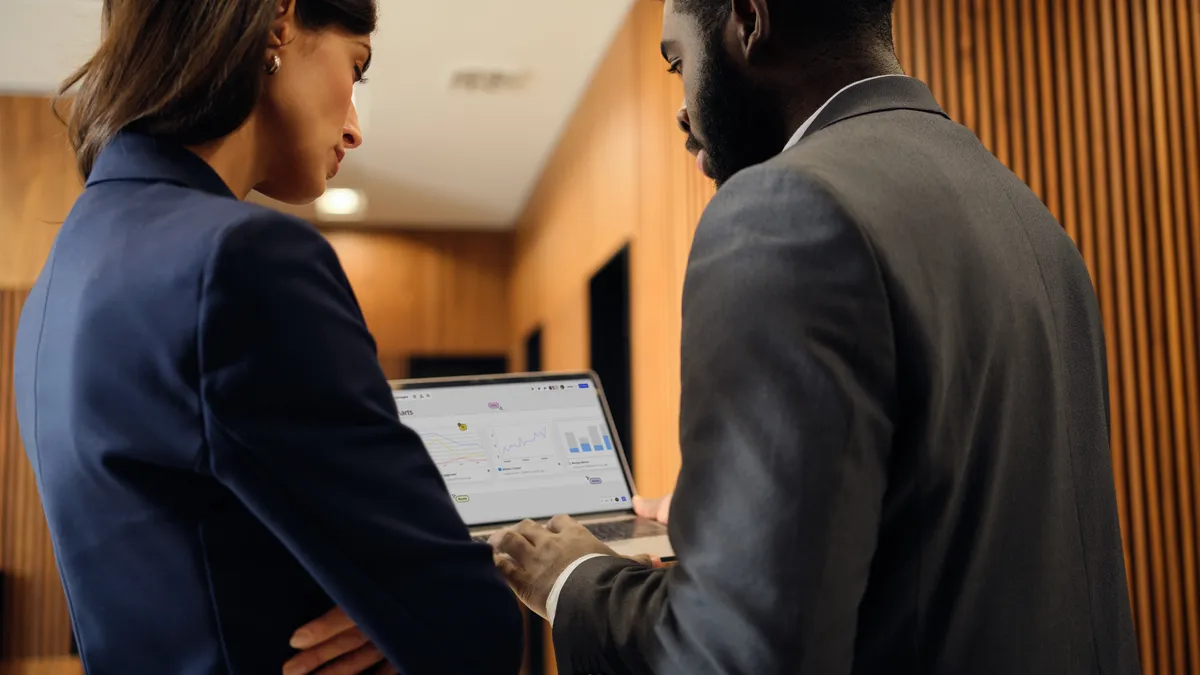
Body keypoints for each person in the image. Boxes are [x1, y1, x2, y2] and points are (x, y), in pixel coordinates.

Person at [486, 0, 1142, 673]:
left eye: (678, 61)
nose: (682, 108)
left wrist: (572, 578)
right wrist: (736, 520)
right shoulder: (1028, 216)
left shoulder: (783, 212)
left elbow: (736, 657)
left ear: (749, 20)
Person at [12, 1, 522, 673]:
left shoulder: (59, 278)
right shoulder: (243, 260)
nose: (356, 129)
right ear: (279, 22)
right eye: (357, 68)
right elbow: (472, 631)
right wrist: (405, 607)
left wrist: (389, 601)